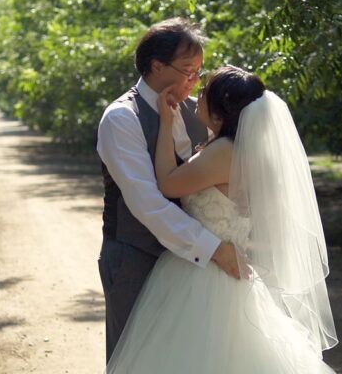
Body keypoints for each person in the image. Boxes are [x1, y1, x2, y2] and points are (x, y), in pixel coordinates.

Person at [106, 65, 339, 373]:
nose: (197, 94)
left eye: (205, 93)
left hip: (204, 271)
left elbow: (167, 183)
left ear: (219, 113)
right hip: (227, 265)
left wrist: (165, 122)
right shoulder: (242, 151)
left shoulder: (223, 153)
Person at [97, 18, 242, 361]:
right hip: (136, 256)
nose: (195, 81)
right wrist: (214, 248)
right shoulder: (121, 118)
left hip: (190, 264)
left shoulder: (199, 111)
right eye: (189, 71)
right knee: (133, 358)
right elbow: (147, 204)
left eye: (199, 72)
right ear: (156, 66)